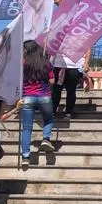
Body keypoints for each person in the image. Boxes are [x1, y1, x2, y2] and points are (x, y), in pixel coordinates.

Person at [19, 40, 55, 170]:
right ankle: (45, 138)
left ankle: (25, 157)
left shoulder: (22, 64)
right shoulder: (46, 63)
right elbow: (52, 80)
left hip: (27, 97)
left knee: (27, 128)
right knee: (49, 119)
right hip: (44, 96)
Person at [51, 51, 85, 120]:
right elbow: (52, 47)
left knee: (71, 91)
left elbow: (87, 48)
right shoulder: (58, 39)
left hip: (74, 66)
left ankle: (68, 112)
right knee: (56, 90)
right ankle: (53, 111)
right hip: (58, 65)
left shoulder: (79, 39)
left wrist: (86, 62)